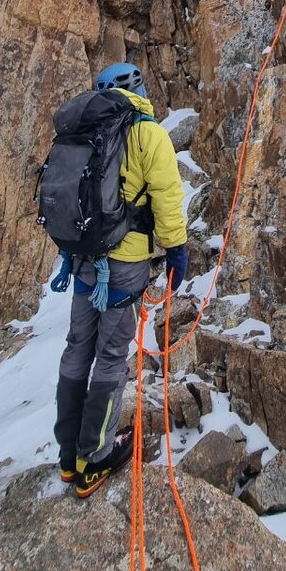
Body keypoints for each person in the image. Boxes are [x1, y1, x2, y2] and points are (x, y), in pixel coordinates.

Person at [52, 62, 189, 498]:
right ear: (138, 88)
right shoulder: (148, 133)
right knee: (111, 357)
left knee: (78, 349)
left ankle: (69, 455)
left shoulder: (89, 131)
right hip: (126, 267)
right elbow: (167, 198)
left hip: (85, 261)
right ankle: (95, 457)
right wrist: (177, 250)